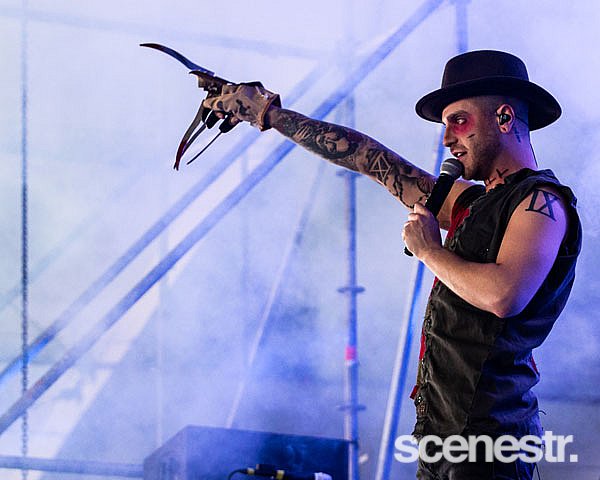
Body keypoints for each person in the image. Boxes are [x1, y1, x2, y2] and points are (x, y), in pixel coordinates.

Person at [203, 50, 582, 479]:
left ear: (505, 117)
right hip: (445, 437)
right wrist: (270, 115)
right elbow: (370, 160)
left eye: (458, 121)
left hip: (489, 441)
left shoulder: (541, 202)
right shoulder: (472, 204)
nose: (447, 139)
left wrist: (430, 251)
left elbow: (504, 295)